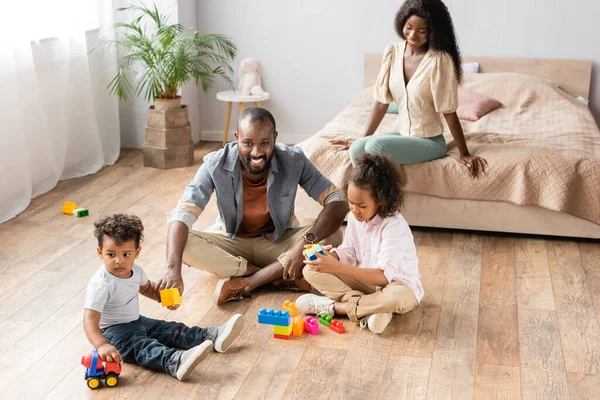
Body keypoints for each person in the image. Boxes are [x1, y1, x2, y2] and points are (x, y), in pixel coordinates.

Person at [160, 108, 348, 305]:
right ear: (237, 138)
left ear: (275, 137)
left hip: (279, 241)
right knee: (183, 244)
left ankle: (250, 281)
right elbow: (183, 213)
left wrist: (303, 243)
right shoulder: (214, 164)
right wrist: (172, 269)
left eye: (264, 143)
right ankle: (271, 275)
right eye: (248, 143)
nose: (257, 153)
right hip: (232, 243)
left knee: (333, 236)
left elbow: (337, 200)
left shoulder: (293, 159)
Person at [330, 0, 487, 177]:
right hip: (402, 132)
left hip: (429, 141)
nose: (413, 35)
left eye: (422, 31)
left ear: (433, 32)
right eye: (409, 27)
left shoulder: (439, 60)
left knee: (375, 147)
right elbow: (382, 103)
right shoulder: (392, 52)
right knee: (357, 149)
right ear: (402, 23)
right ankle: (368, 199)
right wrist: (363, 138)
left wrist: (464, 153)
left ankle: (381, 200)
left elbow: (449, 111)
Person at [83, 214, 244, 381]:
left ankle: (211, 336)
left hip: (135, 321)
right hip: (113, 333)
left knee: (170, 329)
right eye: (111, 255)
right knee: (143, 346)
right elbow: (89, 320)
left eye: (126, 254)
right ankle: (174, 361)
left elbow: (147, 289)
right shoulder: (101, 284)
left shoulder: (136, 270)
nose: (118, 261)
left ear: (137, 252)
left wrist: (163, 297)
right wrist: (101, 345)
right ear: (100, 253)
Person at [296, 153, 423, 334]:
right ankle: (370, 311)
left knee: (393, 298)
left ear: (381, 200)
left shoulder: (395, 226)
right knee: (310, 269)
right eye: (351, 203)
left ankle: (335, 308)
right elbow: (349, 252)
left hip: (398, 287)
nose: (354, 210)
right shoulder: (356, 218)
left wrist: (337, 267)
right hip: (366, 283)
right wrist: (327, 257)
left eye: (362, 205)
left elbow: (382, 277)